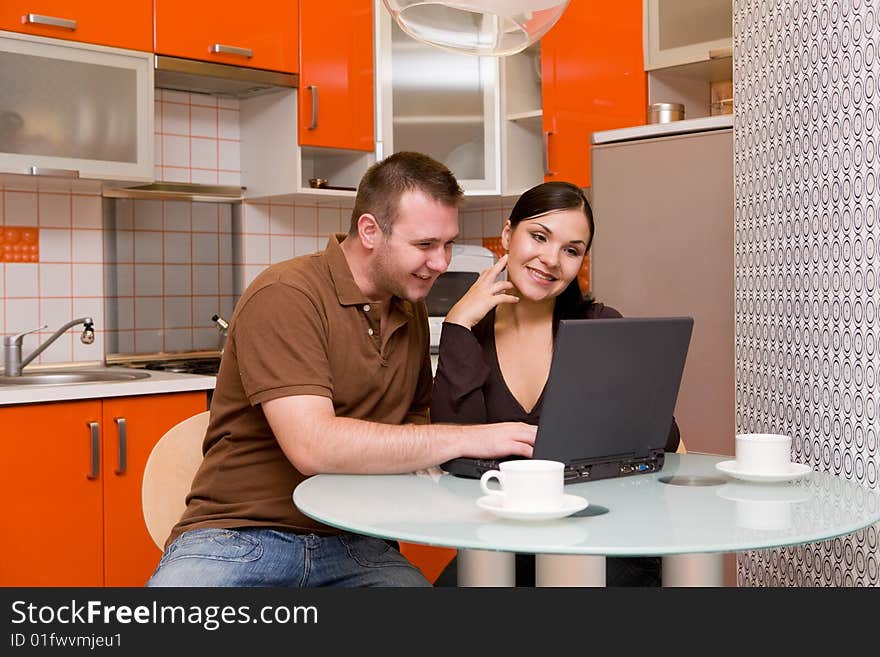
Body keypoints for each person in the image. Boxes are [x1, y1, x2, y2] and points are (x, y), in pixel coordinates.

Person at [146, 152, 536, 588]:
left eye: (448, 244)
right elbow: (312, 446)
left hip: (356, 541)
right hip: (239, 535)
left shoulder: (409, 308)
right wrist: (473, 437)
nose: (442, 263)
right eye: (425, 245)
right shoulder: (287, 294)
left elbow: (414, 425)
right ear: (370, 231)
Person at [430, 180, 679, 587]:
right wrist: (457, 323)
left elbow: (663, 438)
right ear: (509, 235)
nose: (550, 260)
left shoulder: (599, 327)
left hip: (602, 540)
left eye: (571, 250)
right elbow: (456, 447)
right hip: (497, 541)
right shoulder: (471, 335)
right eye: (539, 237)